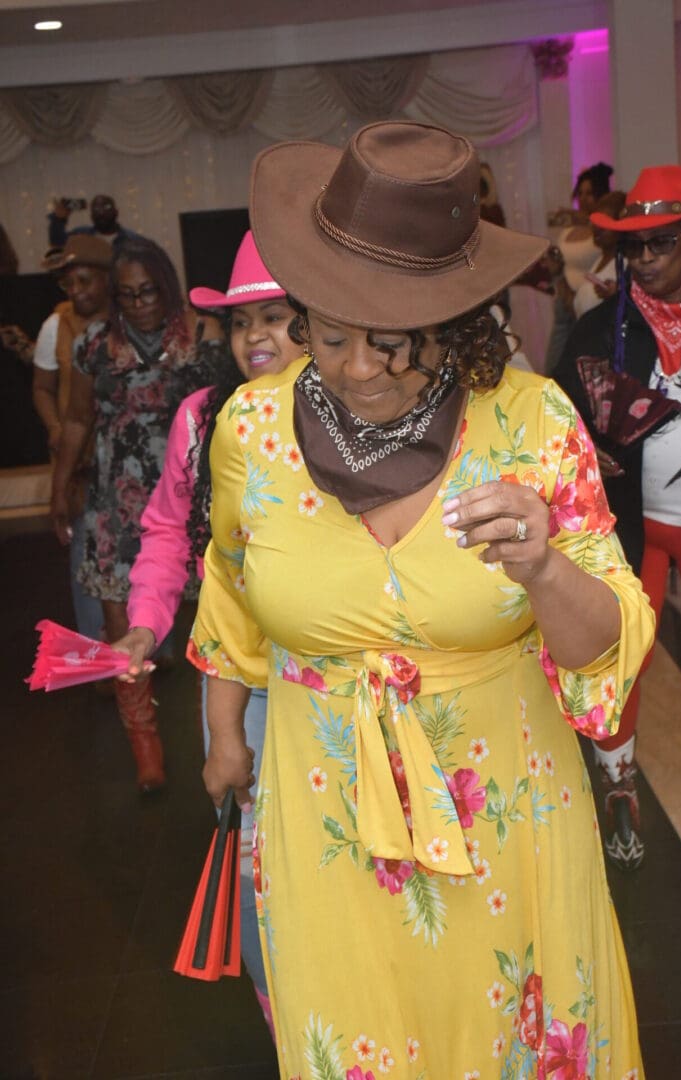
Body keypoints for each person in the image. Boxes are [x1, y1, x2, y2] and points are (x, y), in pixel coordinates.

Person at [188, 121, 654, 1078]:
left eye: (396, 343)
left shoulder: (530, 420)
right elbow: (231, 596)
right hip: (327, 808)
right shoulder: (251, 431)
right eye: (329, 333)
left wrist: (545, 570)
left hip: (509, 809)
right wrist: (225, 736)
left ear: (456, 324)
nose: (360, 369)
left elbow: (605, 643)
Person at [110, 231, 299, 1030]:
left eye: (280, 319)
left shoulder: (360, 413)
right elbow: (165, 534)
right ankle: (287, 1026)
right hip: (243, 677)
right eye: (243, 322)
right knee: (257, 866)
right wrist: (144, 629)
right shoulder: (203, 418)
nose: (258, 338)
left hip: (355, 678)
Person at [555, 164, 681, 872]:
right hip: (633, 534)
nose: (647, 259)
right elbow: (558, 427)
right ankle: (619, 781)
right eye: (635, 247)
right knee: (622, 662)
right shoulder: (601, 329)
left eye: (662, 243)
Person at [50, 236, 224, 793]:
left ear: (167, 287)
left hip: (191, 495)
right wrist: (60, 492)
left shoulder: (204, 336)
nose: (141, 303)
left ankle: (221, 734)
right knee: (121, 629)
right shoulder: (96, 344)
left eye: (149, 291)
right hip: (115, 502)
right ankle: (144, 745)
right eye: (128, 295)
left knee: (213, 622)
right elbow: (77, 419)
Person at [32, 235, 113, 642]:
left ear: (107, 278)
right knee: (84, 548)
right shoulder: (56, 324)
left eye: (86, 281)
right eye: (69, 284)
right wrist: (56, 428)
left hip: (125, 457)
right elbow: (42, 388)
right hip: (77, 459)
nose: (77, 292)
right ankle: (94, 648)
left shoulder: (130, 315)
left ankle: (149, 644)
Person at [544, 162, 614, 373]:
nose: (583, 198)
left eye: (590, 193)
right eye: (580, 192)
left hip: (585, 308)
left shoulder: (604, 233)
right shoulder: (570, 229)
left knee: (575, 373)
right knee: (553, 367)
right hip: (563, 303)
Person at [572, 190, 626, 319]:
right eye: (596, 222)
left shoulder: (626, 264)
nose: (597, 228)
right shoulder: (599, 260)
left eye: (604, 223)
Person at [47, 194, 140, 251]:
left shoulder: (132, 240)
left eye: (106, 207)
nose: (101, 212)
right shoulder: (82, 235)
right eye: (96, 208)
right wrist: (59, 219)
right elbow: (57, 242)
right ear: (91, 215)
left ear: (116, 212)